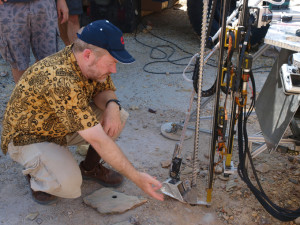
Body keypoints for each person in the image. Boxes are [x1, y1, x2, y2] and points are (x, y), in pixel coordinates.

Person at [1, 20, 164, 205]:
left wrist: (112, 105)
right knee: (70, 185)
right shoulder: (60, 78)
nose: (114, 70)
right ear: (88, 55)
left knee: (119, 115)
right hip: (29, 136)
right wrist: (137, 177)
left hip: (58, 123)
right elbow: (98, 140)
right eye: (111, 62)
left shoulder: (86, 58)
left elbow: (105, 90)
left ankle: (89, 168)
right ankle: (37, 174)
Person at [0, 0, 69, 83]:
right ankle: (23, 94)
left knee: (48, 58)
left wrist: (61, 0)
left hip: (44, 3)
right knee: (18, 61)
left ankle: (42, 94)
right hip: (10, 6)